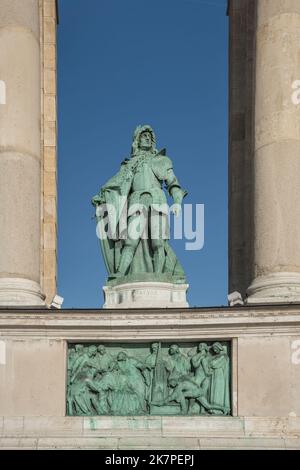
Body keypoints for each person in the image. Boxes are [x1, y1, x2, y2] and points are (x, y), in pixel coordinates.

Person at [92, 125, 187, 282]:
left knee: (158, 243)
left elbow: (173, 184)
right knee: (130, 241)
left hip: (157, 200)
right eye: (144, 136)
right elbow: (115, 185)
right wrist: (102, 197)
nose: (148, 138)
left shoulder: (162, 160)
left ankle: (159, 276)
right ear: (136, 140)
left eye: (150, 136)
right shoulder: (128, 165)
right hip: (136, 202)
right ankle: (120, 274)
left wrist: (177, 202)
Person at [209, 342, 230, 413]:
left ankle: (218, 410)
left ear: (219, 348)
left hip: (219, 375)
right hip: (214, 375)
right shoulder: (215, 357)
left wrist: (211, 363)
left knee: (218, 391)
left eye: (216, 348)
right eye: (213, 349)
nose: (214, 350)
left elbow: (213, 364)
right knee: (213, 390)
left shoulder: (223, 356)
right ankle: (213, 409)